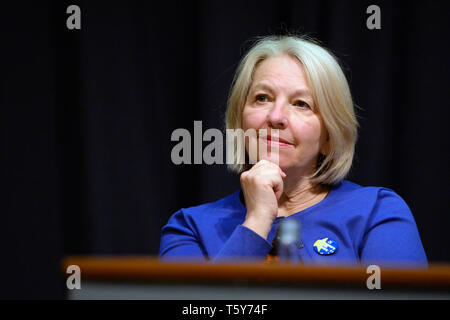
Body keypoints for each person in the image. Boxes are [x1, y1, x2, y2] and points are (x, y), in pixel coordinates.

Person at [159, 35, 427, 268]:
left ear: (329, 137)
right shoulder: (189, 227)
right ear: (239, 121)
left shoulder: (376, 213)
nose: (276, 117)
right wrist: (257, 221)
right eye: (262, 98)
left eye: (301, 104)